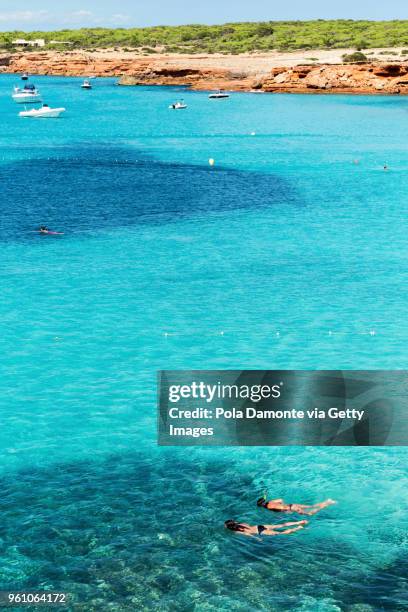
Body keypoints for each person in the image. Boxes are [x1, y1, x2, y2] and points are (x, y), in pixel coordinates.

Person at [224, 519, 307, 538]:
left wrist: (257, 538)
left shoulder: (236, 531)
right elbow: (248, 525)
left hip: (259, 531)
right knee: (281, 525)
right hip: (259, 526)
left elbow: (248, 534)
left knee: (281, 533)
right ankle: (299, 522)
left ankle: (298, 527)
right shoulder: (241, 524)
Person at [257, 496, 336, 515]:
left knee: (310, 513)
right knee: (311, 506)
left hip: (291, 508)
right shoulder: (271, 502)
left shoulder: (268, 507)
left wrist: (286, 510)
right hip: (291, 505)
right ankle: (328, 501)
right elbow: (280, 500)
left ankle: (327, 504)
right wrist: (283, 506)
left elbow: (279, 510)